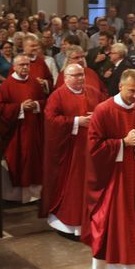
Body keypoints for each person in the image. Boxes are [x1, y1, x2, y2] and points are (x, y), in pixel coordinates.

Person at [84, 69, 135, 269]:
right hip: (113, 179)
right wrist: (122, 143)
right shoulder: (103, 110)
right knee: (117, 225)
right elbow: (94, 146)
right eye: (131, 91)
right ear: (120, 87)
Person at [40, 62, 96, 238]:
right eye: (75, 75)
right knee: (72, 187)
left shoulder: (93, 93)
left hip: (89, 150)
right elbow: (50, 119)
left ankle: (87, 223)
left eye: (82, 75)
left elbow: (104, 110)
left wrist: (97, 117)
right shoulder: (58, 96)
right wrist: (76, 122)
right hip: (68, 151)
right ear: (65, 78)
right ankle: (67, 225)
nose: (80, 78)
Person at [0, 53, 46, 203]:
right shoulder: (6, 85)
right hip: (15, 132)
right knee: (17, 161)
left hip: (33, 130)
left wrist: (36, 105)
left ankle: (34, 196)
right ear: (14, 67)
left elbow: (44, 102)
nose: (25, 67)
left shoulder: (35, 83)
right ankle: (16, 197)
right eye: (21, 65)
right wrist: (20, 107)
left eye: (27, 65)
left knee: (34, 162)